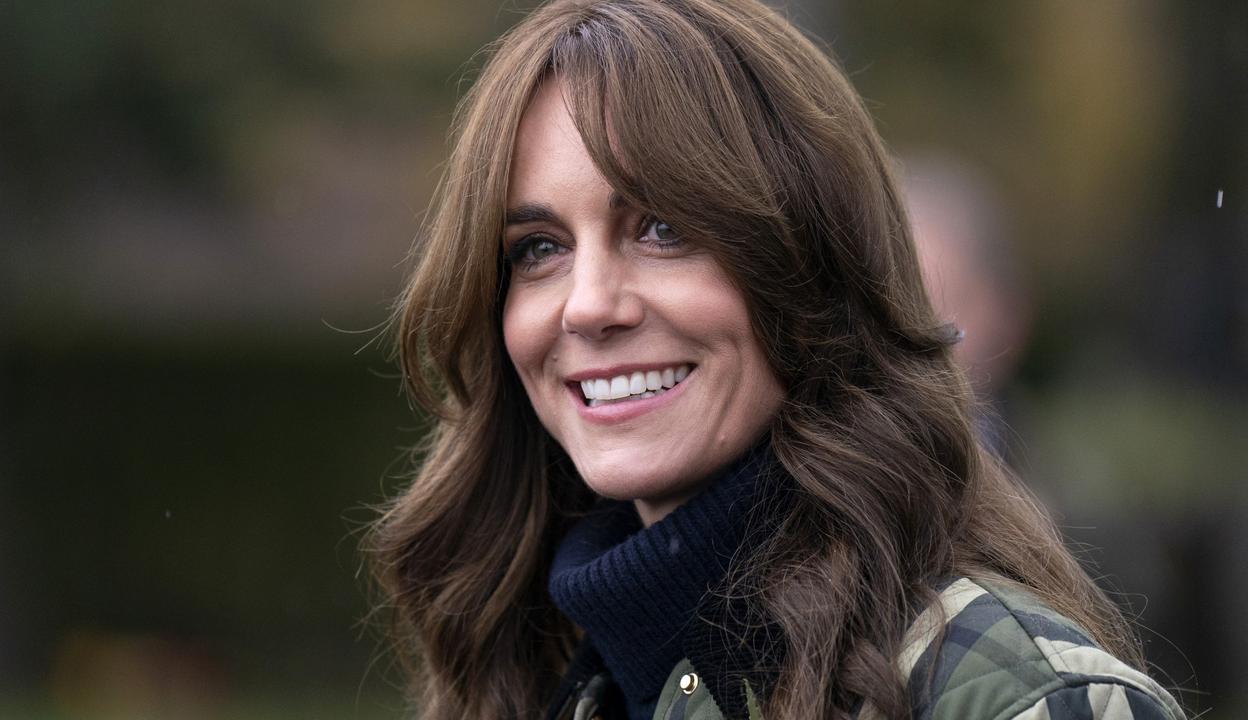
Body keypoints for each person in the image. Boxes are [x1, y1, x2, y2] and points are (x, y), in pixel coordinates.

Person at [369, 1, 1184, 718]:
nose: (587, 304)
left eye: (662, 229)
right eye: (539, 247)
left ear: (812, 267)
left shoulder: (1018, 698)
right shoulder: (545, 680)